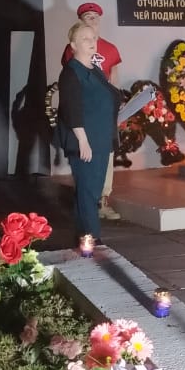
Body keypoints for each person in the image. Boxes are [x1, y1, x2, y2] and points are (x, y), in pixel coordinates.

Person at [58, 22, 123, 242]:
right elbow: (71, 108)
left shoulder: (95, 71)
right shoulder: (71, 73)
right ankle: (92, 237)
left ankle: (83, 236)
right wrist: (82, 140)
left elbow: (108, 97)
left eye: (93, 38)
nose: (91, 42)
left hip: (101, 139)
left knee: (92, 191)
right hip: (85, 141)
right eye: (85, 38)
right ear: (73, 45)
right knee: (88, 191)